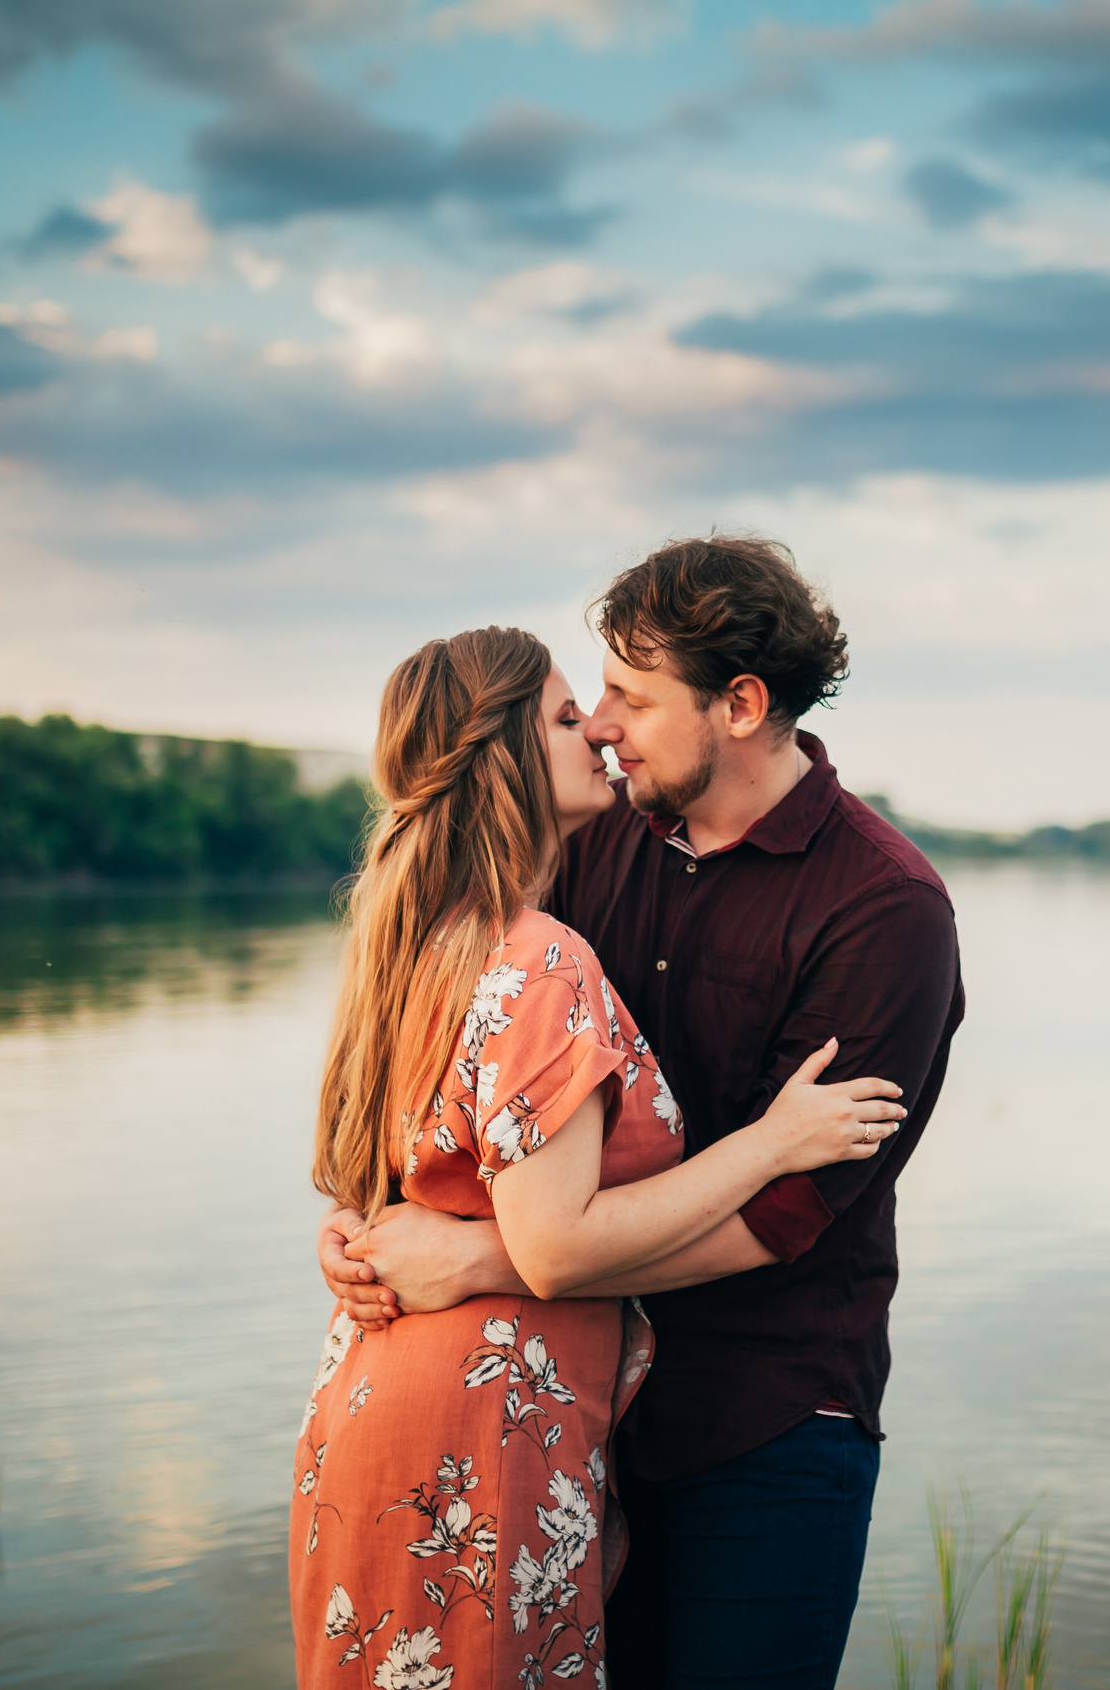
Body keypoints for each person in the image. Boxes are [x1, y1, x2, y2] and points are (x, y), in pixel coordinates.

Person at [319, 538, 966, 1689]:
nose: (605, 720)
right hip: (563, 1414)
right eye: (593, 697)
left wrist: (478, 1260)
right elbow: (467, 1078)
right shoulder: (589, 848)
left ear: (741, 705)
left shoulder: (885, 908)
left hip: (760, 1420)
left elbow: (785, 1215)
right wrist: (370, 1229)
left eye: (629, 693)